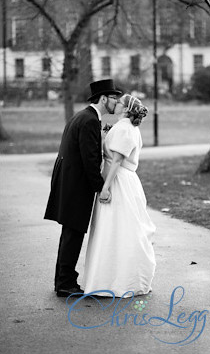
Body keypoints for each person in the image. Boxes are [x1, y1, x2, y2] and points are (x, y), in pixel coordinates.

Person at [44, 79, 122, 297]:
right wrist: (101, 188)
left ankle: (63, 280)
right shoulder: (88, 121)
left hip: (69, 182)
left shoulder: (83, 116)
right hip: (76, 185)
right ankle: (65, 284)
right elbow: (89, 160)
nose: (116, 101)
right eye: (114, 97)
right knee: (73, 234)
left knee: (69, 233)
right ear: (103, 98)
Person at [83, 94, 156, 296]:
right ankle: (110, 277)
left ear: (125, 108)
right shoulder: (126, 127)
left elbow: (116, 161)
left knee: (118, 229)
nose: (115, 104)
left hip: (119, 182)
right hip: (123, 179)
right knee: (114, 229)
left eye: (119, 102)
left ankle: (120, 281)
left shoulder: (124, 129)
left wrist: (105, 187)